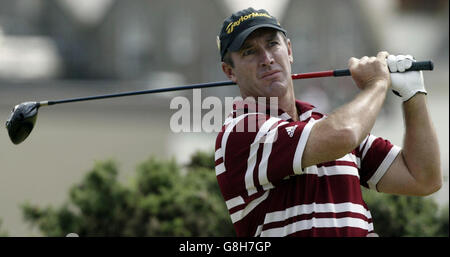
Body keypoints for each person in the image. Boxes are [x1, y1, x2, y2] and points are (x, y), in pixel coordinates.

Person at [214, 7, 442, 237]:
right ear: (229, 71)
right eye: (249, 52)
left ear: (289, 50)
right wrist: (377, 84)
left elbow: (423, 178)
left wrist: (413, 95)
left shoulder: (321, 124)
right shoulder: (240, 131)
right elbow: (345, 134)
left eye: (272, 44)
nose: (267, 59)